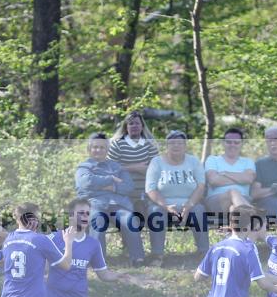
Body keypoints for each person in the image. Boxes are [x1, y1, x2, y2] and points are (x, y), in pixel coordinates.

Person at [76, 132, 146, 266]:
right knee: (98, 220)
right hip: (94, 204)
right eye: (95, 147)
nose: (98, 150)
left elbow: (128, 186)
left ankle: (137, 258)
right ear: (89, 149)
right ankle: (98, 260)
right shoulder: (84, 167)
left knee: (130, 219)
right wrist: (111, 179)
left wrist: (110, 188)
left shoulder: (116, 166)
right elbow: (85, 183)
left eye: (102, 147)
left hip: (118, 205)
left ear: (107, 149)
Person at [145, 130, 209, 262]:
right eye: (172, 143)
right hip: (162, 204)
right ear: (167, 146)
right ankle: (157, 255)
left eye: (180, 143)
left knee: (199, 210)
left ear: (185, 146)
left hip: (190, 203)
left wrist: (189, 205)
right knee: (155, 212)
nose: (176, 146)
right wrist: (167, 206)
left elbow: (201, 186)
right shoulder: (156, 162)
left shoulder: (193, 161)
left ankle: (204, 253)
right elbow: (150, 189)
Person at [108, 110, 160, 206]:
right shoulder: (117, 144)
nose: (134, 126)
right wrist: (135, 167)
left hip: (147, 194)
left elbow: (155, 171)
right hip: (123, 195)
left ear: (142, 126)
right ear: (126, 127)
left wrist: (123, 167)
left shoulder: (150, 144)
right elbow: (110, 169)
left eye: (137, 123)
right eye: (131, 124)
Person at [204, 128, 256, 217]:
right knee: (233, 192)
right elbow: (213, 180)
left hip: (244, 199)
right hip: (216, 200)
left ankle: (242, 215)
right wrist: (240, 178)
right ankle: (251, 214)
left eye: (236, 142)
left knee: (234, 209)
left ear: (242, 144)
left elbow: (249, 179)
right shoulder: (212, 159)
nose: (232, 145)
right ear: (223, 143)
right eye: (229, 142)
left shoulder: (248, 161)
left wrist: (226, 174)